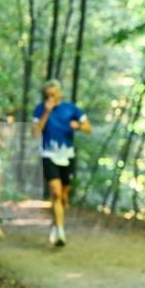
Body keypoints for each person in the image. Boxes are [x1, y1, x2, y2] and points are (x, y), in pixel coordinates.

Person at [33, 80, 91, 247]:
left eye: (53, 94)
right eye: (48, 95)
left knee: (64, 197)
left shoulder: (71, 109)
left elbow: (89, 128)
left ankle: (56, 223)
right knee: (56, 193)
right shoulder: (40, 109)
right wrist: (46, 112)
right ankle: (60, 232)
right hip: (48, 154)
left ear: (59, 93)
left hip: (67, 156)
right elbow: (35, 132)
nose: (51, 97)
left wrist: (78, 126)